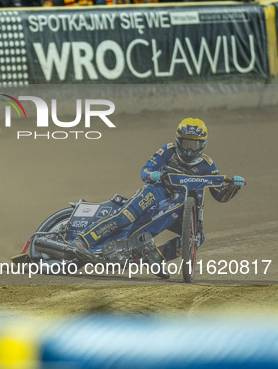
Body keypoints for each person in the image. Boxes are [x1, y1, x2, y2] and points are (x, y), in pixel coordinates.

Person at [67, 118, 246, 277]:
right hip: (157, 191)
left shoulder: (208, 165)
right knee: (126, 216)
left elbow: (220, 196)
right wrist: (152, 175)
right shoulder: (168, 151)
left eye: (194, 145)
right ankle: (83, 240)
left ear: (203, 145)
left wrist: (233, 187)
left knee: (198, 237)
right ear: (178, 141)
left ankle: (155, 258)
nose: (189, 150)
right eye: (185, 143)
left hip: (180, 207)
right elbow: (145, 171)